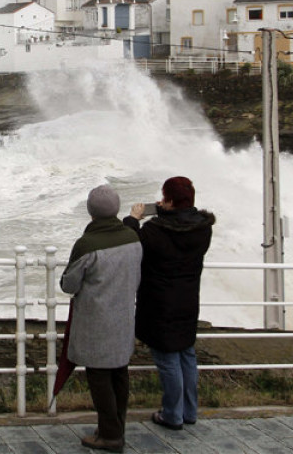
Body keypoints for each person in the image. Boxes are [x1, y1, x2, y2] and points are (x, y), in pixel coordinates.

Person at [124, 176, 215, 431]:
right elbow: (177, 238)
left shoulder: (156, 230)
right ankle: (189, 411)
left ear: (171, 200)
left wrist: (133, 220)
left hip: (159, 303)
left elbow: (134, 247)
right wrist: (168, 212)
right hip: (187, 300)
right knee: (186, 353)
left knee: (167, 359)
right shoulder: (203, 228)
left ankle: (173, 415)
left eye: (165, 197)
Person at [60, 185, 142, 453]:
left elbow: (69, 284)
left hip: (97, 323)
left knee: (99, 377)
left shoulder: (87, 244)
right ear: (116, 209)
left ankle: (110, 436)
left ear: (90, 211)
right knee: (119, 373)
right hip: (123, 319)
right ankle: (115, 427)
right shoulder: (133, 237)